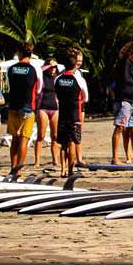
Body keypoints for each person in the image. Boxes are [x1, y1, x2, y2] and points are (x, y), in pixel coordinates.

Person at [6, 42, 43, 170]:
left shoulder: (11, 68)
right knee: (24, 139)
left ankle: (13, 166)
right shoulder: (34, 69)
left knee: (14, 139)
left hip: (13, 106)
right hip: (28, 106)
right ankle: (19, 169)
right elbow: (38, 89)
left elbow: (10, 85)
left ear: (19, 53)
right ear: (31, 53)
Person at [55, 48, 89, 177]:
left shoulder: (58, 79)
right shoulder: (79, 79)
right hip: (74, 113)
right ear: (75, 65)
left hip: (62, 113)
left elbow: (56, 95)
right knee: (73, 142)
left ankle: (62, 169)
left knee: (63, 144)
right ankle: (70, 170)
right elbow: (86, 98)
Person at [34, 59, 60, 168]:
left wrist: (55, 66)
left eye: (54, 67)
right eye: (51, 67)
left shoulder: (57, 78)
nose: (53, 69)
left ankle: (55, 159)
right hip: (43, 107)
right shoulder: (42, 76)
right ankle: (37, 161)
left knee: (55, 136)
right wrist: (48, 65)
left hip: (54, 108)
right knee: (41, 135)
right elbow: (38, 70)